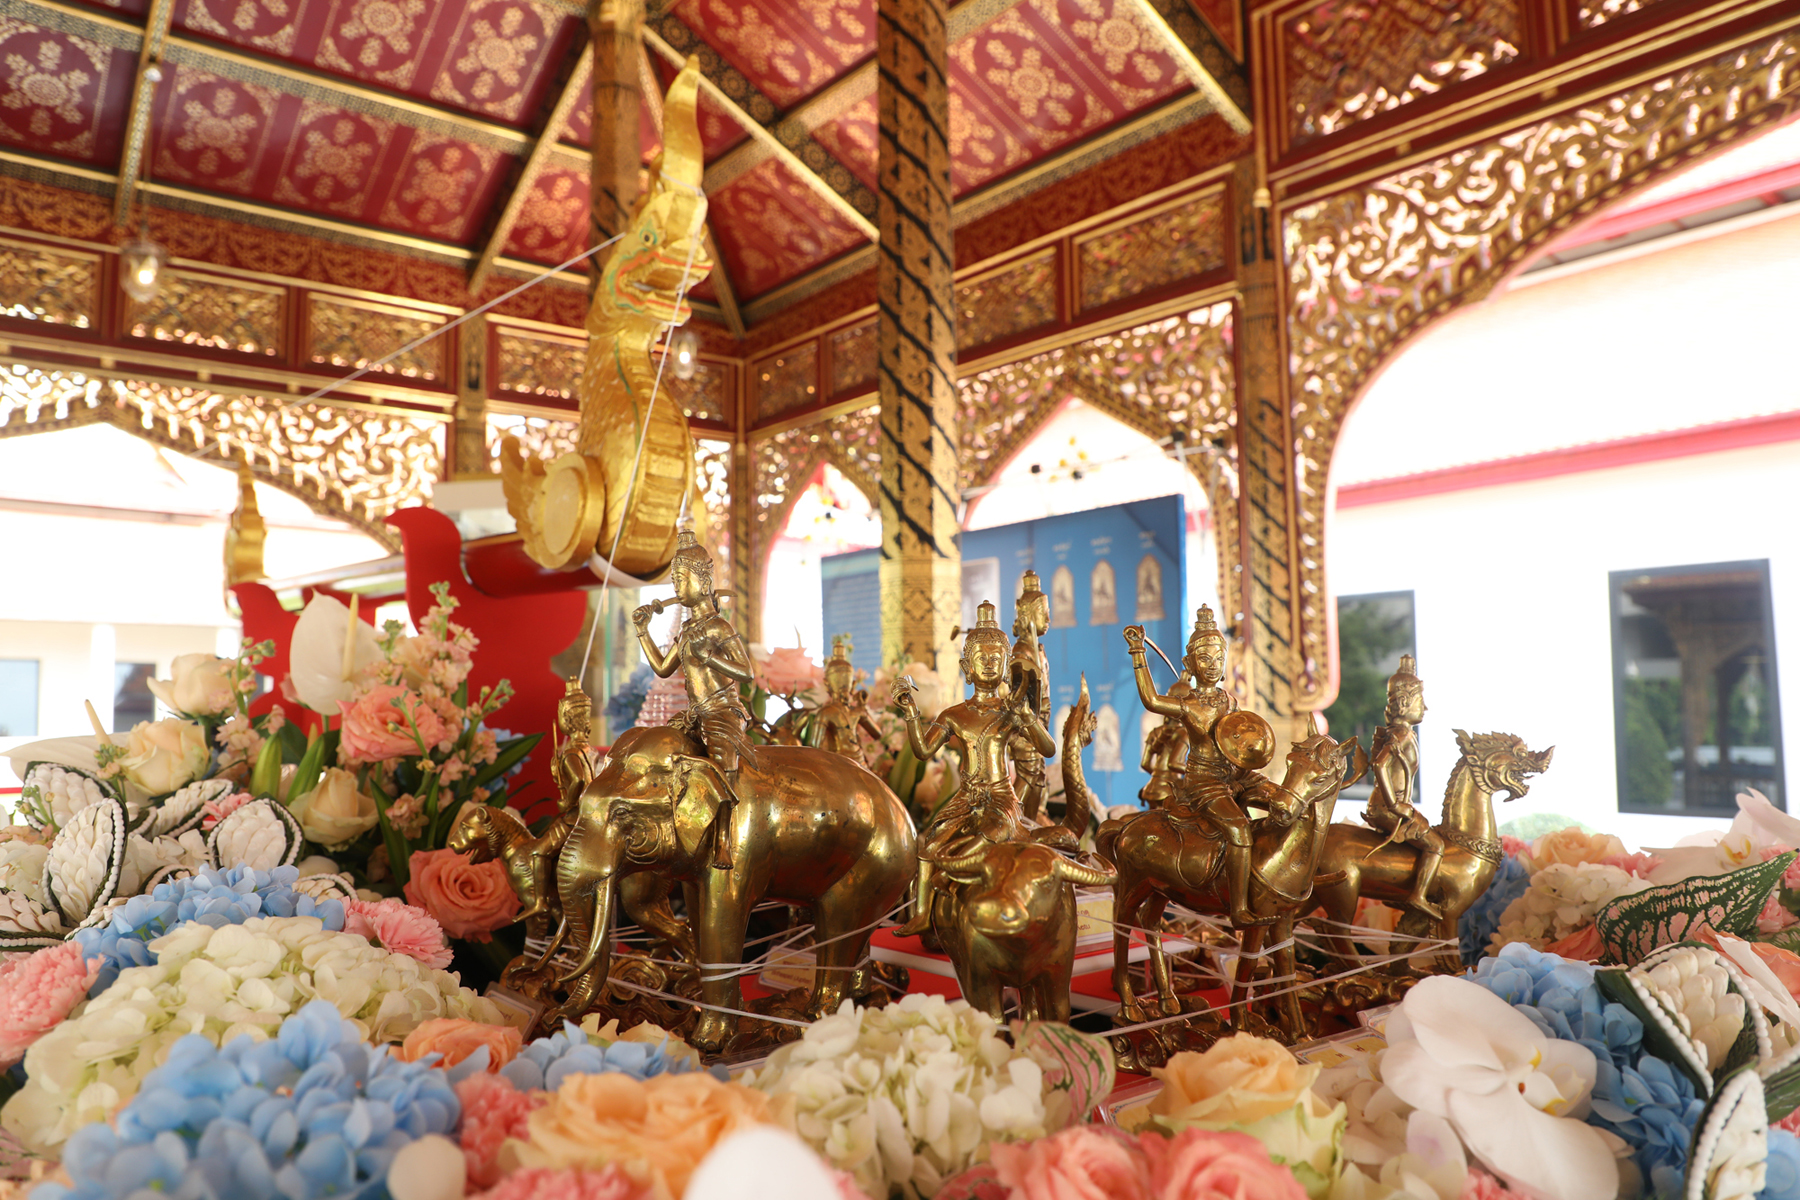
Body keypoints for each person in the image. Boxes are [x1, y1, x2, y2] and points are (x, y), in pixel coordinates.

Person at [892, 601, 1062, 936]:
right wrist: (911, 713)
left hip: (1000, 797)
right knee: (929, 846)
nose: (988, 663)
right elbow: (923, 751)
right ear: (966, 666)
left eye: (996, 658)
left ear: (1005, 665)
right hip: (966, 797)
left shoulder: (1010, 711)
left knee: (988, 836)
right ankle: (923, 914)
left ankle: (950, 878)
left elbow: (1048, 749)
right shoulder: (954, 714)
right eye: (981, 658)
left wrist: (1027, 717)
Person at [1123, 605, 1273, 927]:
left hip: (1235, 773)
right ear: (1190, 664)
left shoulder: (1228, 700)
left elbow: (1236, 740)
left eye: (1218, 658)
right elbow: (1151, 700)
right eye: (1204, 659)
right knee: (1238, 828)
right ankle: (1239, 908)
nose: (1213, 665)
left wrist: (1246, 769)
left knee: (1283, 801)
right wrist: (1138, 652)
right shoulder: (1189, 704)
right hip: (1205, 781)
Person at [633, 522, 756, 867]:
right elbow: (662, 668)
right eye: (674, 580)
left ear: (702, 581)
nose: (676, 586)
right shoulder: (688, 629)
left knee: (721, 756)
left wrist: (710, 656)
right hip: (695, 713)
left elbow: (746, 672)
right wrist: (643, 631)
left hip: (722, 711)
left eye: (681, 578)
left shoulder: (718, 626)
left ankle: (723, 838)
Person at [1363, 655, 1443, 917]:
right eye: (1421, 700)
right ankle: (1418, 895)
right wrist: (1395, 805)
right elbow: (1379, 765)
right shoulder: (1402, 733)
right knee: (1436, 846)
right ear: (1405, 702)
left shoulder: (1401, 732)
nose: (1425, 708)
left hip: (1385, 805)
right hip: (1390, 808)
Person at [1010, 571, 1053, 822]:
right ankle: (1010, 822)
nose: (1048, 619)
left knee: (1038, 779)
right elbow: (1017, 695)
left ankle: (1029, 823)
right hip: (1025, 728)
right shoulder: (1021, 653)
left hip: (1040, 728)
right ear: (1026, 617)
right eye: (1043, 613)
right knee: (1029, 774)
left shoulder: (1038, 650)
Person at [816, 635, 881, 764]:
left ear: (827, 684)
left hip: (838, 764)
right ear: (853, 685)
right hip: (859, 763)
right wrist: (862, 710)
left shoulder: (825, 713)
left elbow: (815, 746)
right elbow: (877, 734)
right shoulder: (856, 711)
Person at [1137, 680, 1192, 807]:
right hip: (1168, 792)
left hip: (1151, 788)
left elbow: (1145, 764)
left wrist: (1158, 777)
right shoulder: (1183, 734)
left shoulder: (1156, 732)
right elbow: (1174, 764)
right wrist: (1197, 772)